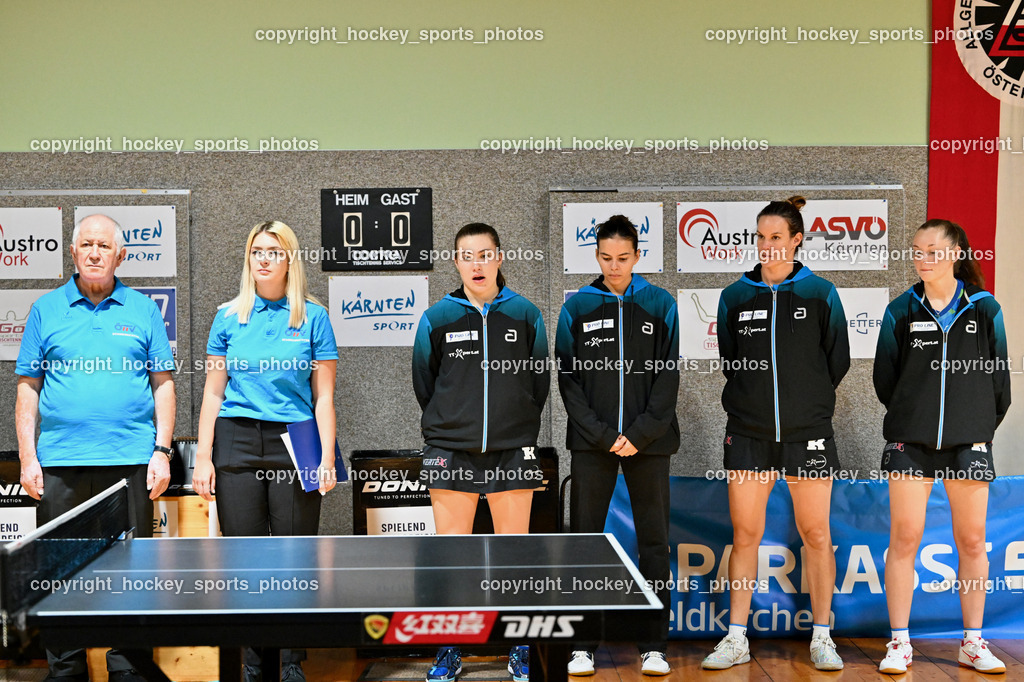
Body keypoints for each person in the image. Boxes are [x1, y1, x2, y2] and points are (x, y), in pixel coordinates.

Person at [16, 213, 176, 682]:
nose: (94, 252)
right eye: (86, 244)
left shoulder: (143, 309)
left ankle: (128, 666)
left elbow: (163, 385)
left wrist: (161, 451)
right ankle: (66, 669)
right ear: (72, 252)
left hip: (129, 462)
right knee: (62, 572)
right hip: (61, 464)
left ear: (120, 255)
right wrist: (28, 456)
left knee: (133, 574)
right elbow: (28, 387)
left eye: (104, 246)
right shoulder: (46, 309)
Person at [702, 196, 850, 672]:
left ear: (797, 239)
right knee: (745, 535)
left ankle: (823, 636)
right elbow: (731, 362)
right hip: (748, 432)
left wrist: (804, 404)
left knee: (816, 533)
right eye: (760, 238)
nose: (767, 246)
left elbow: (836, 362)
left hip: (808, 432)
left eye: (777, 238)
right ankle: (736, 637)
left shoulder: (821, 293)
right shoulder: (734, 297)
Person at [193, 221, 338, 682]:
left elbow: (324, 398)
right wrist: (203, 455)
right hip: (236, 439)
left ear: (290, 259)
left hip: (298, 441)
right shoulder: (227, 316)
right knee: (245, 562)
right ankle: (254, 664)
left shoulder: (314, 318)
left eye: (274, 251)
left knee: (296, 560)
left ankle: (290, 662)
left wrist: (328, 458)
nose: (263, 259)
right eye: (256, 250)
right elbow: (213, 394)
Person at [412, 223, 549, 682]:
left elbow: (538, 383)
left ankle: (520, 652)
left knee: (513, 560)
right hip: (451, 451)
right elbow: (425, 384)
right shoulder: (437, 317)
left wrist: (515, 424)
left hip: (513, 451)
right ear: (455, 262)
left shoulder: (527, 314)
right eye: (467, 255)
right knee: (454, 559)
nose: (476, 263)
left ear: (500, 258)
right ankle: (449, 651)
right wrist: (455, 425)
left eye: (484, 254)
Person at [873, 219, 1010, 675]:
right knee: (905, 537)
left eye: (932, 251)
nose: (923, 259)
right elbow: (885, 381)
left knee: (972, 540)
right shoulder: (900, 310)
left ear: (955, 253)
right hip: (910, 444)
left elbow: (999, 383)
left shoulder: (986, 309)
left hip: (968, 443)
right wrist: (915, 418)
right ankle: (899, 643)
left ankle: (972, 642)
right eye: (916, 251)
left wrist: (973, 426)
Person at [555, 215, 679, 677]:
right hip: (592, 443)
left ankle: (653, 645)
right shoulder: (578, 307)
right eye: (606, 258)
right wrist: (605, 436)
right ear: (596, 257)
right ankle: (581, 645)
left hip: (652, 442)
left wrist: (640, 434)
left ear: (638, 256)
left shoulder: (660, 303)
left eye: (623, 258)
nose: (614, 266)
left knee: (654, 543)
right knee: (586, 542)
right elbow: (568, 379)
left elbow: (669, 375)